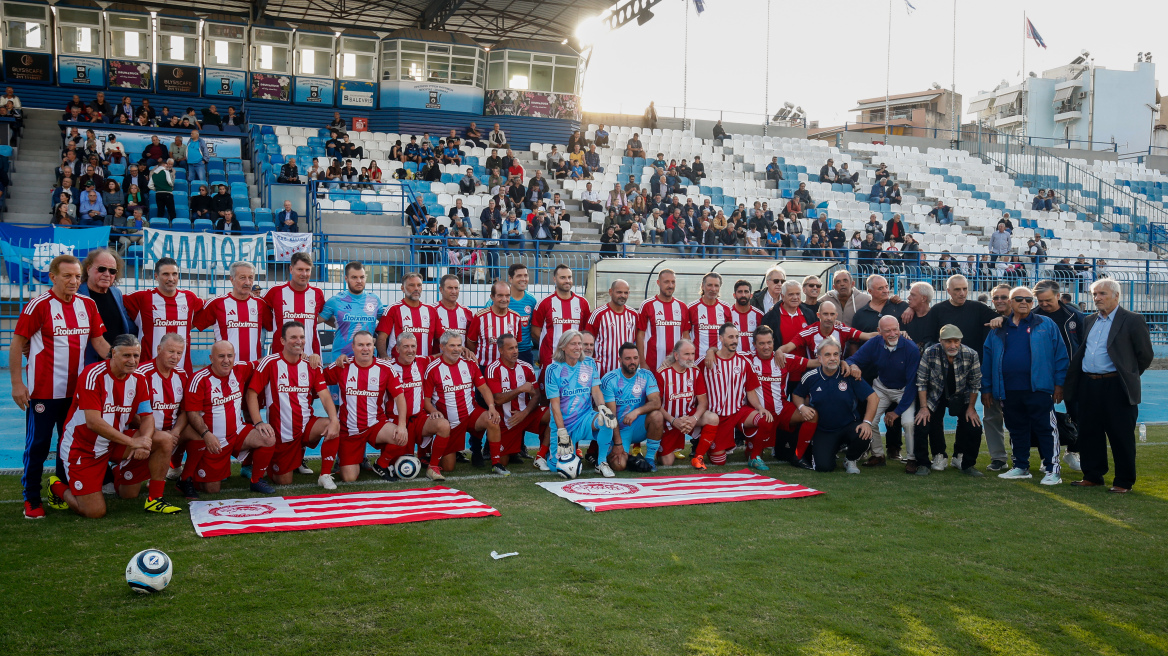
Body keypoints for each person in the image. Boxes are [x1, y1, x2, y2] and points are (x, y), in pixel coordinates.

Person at [12, 255, 111, 518]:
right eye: (67, 276)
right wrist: (17, 384)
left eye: (77, 276)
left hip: (77, 394)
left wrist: (122, 362)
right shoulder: (39, 305)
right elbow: (16, 343)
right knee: (39, 444)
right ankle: (31, 498)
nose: (74, 281)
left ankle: (60, 489)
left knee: (69, 445)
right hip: (43, 391)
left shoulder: (87, 305)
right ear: (53, 277)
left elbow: (99, 343)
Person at [51, 334, 182, 518]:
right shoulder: (93, 375)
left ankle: (155, 499)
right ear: (113, 353)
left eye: (136, 356)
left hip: (114, 443)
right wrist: (132, 442)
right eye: (126, 356)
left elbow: (147, 417)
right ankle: (56, 486)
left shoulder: (139, 378)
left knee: (164, 440)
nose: (132, 361)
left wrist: (144, 439)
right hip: (83, 448)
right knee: (94, 512)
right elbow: (93, 422)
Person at [1065, 279, 1153, 493]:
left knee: (1120, 435)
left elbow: (1145, 355)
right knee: (1089, 432)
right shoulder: (1089, 320)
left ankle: (1123, 481)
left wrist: (1127, 375)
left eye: (1102, 294)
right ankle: (1093, 475)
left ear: (1116, 295)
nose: (1097, 298)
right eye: (1094, 294)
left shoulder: (1132, 320)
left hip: (1116, 385)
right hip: (1089, 384)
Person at [981, 286, 1069, 485]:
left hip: (1039, 388)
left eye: (1028, 300)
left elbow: (1060, 356)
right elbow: (988, 360)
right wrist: (986, 388)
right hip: (1009, 390)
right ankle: (1021, 466)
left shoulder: (1046, 324)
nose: (1024, 302)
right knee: (1016, 429)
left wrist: (1059, 384)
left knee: (1046, 428)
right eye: (1018, 299)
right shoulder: (998, 329)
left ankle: (1052, 469)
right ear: (1011, 302)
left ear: (1033, 303)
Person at [183, 341, 279, 494]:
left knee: (268, 437)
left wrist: (301, 355)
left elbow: (262, 362)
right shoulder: (199, 379)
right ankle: (189, 476)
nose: (226, 360)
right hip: (214, 440)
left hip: (237, 432)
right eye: (221, 356)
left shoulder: (240, 369)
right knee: (212, 490)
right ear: (211, 358)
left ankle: (256, 480)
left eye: (230, 356)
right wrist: (206, 434)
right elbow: (192, 414)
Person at [322, 331, 412, 482]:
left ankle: (381, 464)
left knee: (401, 437)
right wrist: (312, 358)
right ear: (353, 347)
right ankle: (348, 461)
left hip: (375, 424)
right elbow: (317, 380)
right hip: (349, 430)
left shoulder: (385, 367)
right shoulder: (342, 365)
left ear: (373, 346)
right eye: (361, 345)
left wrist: (402, 425)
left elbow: (399, 397)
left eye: (368, 345)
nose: (365, 349)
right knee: (349, 478)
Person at [690, 323, 774, 470]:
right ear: (721, 338)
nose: (734, 340)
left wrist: (760, 407)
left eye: (736, 337)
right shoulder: (706, 361)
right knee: (719, 461)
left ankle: (754, 456)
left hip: (738, 411)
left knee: (765, 419)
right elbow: (688, 373)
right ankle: (710, 444)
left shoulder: (744, 362)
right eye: (730, 337)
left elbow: (750, 391)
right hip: (717, 417)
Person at [791, 337, 879, 474]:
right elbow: (796, 395)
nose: (832, 358)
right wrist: (802, 408)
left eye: (836, 354)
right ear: (819, 358)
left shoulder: (849, 374)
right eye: (827, 355)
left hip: (848, 426)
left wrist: (867, 422)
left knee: (864, 434)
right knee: (824, 468)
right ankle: (831, 449)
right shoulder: (810, 377)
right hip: (824, 430)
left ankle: (850, 459)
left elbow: (873, 398)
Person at [425, 330, 506, 475]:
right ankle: (438, 450)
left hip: (470, 414)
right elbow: (425, 401)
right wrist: (433, 411)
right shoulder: (433, 368)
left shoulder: (469, 364)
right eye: (452, 346)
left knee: (492, 419)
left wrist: (492, 407)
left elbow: (484, 388)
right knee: (448, 468)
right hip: (450, 423)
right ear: (442, 347)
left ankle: (496, 463)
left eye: (459, 345)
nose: (457, 349)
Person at [844, 316, 919, 468]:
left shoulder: (911, 348)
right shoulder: (874, 342)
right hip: (882, 387)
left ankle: (912, 458)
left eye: (895, 329)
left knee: (909, 422)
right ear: (879, 331)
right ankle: (877, 455)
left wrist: (896, 412)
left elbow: (912, 384)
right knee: (869, 420)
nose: (892, 334)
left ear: (900, 328)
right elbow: (853, 359)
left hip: (904, 389)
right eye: (887, 331)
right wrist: (853, 366)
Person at [913, 325, 985, 477]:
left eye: (956, 341)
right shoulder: (930, 352)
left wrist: (971, 408)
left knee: (974, 426)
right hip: (935, 394)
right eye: (948, 341)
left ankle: (966, 462)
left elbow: (975, 383)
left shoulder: (971, 354)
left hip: (962, 395)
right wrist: (924, 407)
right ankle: (927, 462)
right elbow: (921, 381)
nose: (953, 345)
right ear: (940, 341)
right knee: (922, 423)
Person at [543, 330, 617, 477]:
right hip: (565, 424)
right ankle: (554, 456)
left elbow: (596, 391)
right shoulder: (553, 369)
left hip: (585, 418)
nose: (578, 347)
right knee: (555, 468)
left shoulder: (589, 363)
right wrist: (561, 431)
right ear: (563, 347)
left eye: (579, 344)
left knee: (606, 421)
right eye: (573, 344)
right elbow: (555, 405)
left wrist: (602, 408)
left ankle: (601, 462)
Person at [747, 326, 819, 469]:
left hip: (781, 409)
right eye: (761, 343)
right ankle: (753, 453)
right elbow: (723, 355)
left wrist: (841, 362)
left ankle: (798, 456)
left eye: (769, 342)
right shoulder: (746, 359)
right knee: (751, 452)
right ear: (754, 345)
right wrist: (712, 352)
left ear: (773, 342)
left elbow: (813, 363)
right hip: (758, 413)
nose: (766, 347)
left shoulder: (783, 358)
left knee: (812, 415)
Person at [123, 257, 204, 372]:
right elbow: (113, 303)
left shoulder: (189, 297)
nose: (171, 278)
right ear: (156, 276)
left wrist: (189, 325)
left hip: (182, 370)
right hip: (148, 370)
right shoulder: (142, 298)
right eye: (166, 274)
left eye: (174, 274)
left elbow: (209, 309)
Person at [485, 333, 549, 468]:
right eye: (510, 348)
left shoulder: (526, 367)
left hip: (526, 415)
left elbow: (536, 395)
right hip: (506, 421)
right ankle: (510, 451)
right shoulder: (493, 369)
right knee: (503, 462)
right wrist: (520, 389)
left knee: (554, 414)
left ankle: (542, 455)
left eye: (516, 347)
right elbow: (497, 399)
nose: (515, 351)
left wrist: (524, 413)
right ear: (501, 350)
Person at [601, 343, 664, 472]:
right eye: (628, 358)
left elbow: (656, 402)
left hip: (638, 425)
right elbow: (611, 415)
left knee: (657, 415)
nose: (632, 362)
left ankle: (650, 459)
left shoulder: (646, 375)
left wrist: (637, 411)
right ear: (620, 360)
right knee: (619, 466)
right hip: (618, 428)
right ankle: (630, 458)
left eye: (635, 358)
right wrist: (618, 444)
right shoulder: (610, 379)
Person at [194, 261, 273, 363]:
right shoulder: (217, 303)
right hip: (226, 368)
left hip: (253, 369)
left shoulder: (260, 304)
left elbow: (272, 326)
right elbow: (192, 325)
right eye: (242, 277)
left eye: (250, 277)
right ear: (232, 279)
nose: (248, 282)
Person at [78, 249, 132, 365]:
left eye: (112, 271)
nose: (107, 274)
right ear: (88, 269)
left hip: (115, 364)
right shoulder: (76, 295)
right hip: (87, 363)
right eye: (101, 269)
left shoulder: (116, 293)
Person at [531, 265, 591, 366]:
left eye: (569, 277)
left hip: (575, 360)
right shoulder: (544, 303)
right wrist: (550, 344)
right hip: (550, 359)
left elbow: (586, 331)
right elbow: (535, 332)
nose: (567, 280)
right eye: (562, 277)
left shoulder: (583, 303)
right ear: (555, 279)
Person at [781, 300, 876, 360]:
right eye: (825, 314)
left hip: (838, 374)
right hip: (815, 375)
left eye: (832, 314)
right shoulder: (809, 332)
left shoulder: (842, 329)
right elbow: (788, 347)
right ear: (818, 315)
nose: (829, 318)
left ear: (836, 316)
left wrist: (886, 334)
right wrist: (778, 353)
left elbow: (868, 336)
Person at [376, 272, 439, 359]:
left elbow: (441, 337)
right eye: (412, 285)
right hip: (397, 364)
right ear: (403, 288)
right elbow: (382, 337)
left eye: (419, 285)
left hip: (423, 364)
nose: (416, 288)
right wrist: (384, 356)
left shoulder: (431, 310)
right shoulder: (393, 309)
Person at [585, 280, 638, 377]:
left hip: (626, 374)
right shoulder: (598, 314)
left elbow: (638, 341)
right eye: (619, 292)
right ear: (610, 292)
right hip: (602, 373)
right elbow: (586, 343)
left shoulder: (634, 315)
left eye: (625, 293)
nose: (622, 295)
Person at [467, 280, 522, 368]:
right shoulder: (480, 317)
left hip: (507, 368)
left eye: (507, 296)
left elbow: (517, 343)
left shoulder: (516, 317)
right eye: (500, 295)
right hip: (484, 367)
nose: (504, 299)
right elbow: (471, 342)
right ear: (492, 297)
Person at [729, 281, 764, 356]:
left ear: (751, 295)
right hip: (734, 360)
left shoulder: (759, 315)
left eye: (746, 292)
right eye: (740, 292)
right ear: (734, 295)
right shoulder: (728, 313)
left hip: (754, 359)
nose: (743, 295)